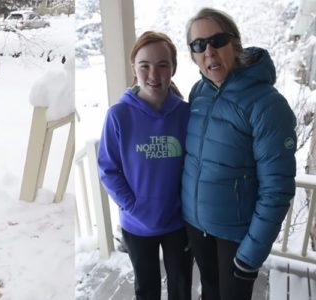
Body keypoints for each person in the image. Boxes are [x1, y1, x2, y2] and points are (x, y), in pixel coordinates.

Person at [182, 8, 297, 300]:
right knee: (208, 291)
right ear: (193, 54)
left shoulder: (267, 104)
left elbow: (277, 188)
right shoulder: (199, 92)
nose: (208, 51)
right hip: (197, 227)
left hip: (236, 236)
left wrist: (250, 255)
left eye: (217, 40)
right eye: (199, 45)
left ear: (235, 44)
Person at [98, 31, 193, 300]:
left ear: (173, 67)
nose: (154, 74)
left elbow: (195, 166)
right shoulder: (118, 115)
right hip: (137, 224)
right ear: (134, 69)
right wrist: (133, 206)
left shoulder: (185, 115)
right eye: (145, 66)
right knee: (147, 288)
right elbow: (108, 169)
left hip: (178, 222)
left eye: (163, 65)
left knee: (181, 287)